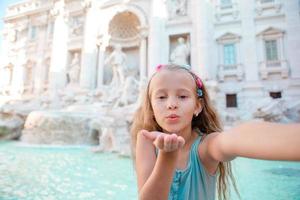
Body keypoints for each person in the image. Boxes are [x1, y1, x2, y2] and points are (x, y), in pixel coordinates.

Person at [131, 64, 300, 200]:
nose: (171, 104)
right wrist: (167, 157)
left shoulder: (206, 147)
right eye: (161, 97)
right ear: (151, 108)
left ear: (197, 106)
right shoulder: (145, 140)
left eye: (182, 96)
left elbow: (237, 138)